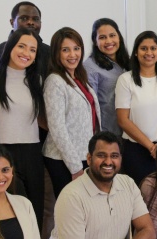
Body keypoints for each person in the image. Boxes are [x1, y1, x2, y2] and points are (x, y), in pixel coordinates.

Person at [0, 28, 47, 228]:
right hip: (0, 152)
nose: (26, 53)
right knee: (7, 214)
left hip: (32, 152)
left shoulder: (38, 82)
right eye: (21, 46)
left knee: (33, 212)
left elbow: (44, 120)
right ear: (10, 47)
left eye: (32, 50)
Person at [49, 132, 156, 239]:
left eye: (114, 156)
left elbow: (148, 230)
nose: (108, 162)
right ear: (89, 159)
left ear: (120, 159)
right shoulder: (71, 196)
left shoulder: (128, 183)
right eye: (101, 155)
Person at [116, 31, 157, 186]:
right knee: (140, 198)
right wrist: (151, 146)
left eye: (153, 48)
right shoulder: (125, 80)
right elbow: (123, 119)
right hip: (136, 149)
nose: (149, 53)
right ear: (135, 53)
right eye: (143, 48)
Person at [43, 27, 99, 198]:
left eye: (76, 48)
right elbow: (57, 127)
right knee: (71, 211)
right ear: (56, 53)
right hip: (63, 159)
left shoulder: (78, 78)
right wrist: (75, 166)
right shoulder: (55, 81)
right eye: (65, 50)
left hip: (83, 153)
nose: (72, 54)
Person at [0, 1, 51, 78]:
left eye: (35, 19)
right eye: (24, 18)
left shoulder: (50, 52)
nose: (30, 22)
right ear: (12, 22)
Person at [84, 18, 130, 136]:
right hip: (107, 132)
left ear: (119, 36)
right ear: (95, 41)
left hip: (130, 131)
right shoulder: (90, 67)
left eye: (112, 35)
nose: (109, 41)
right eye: (102, 37)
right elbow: (89, 106)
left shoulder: (127, 62)